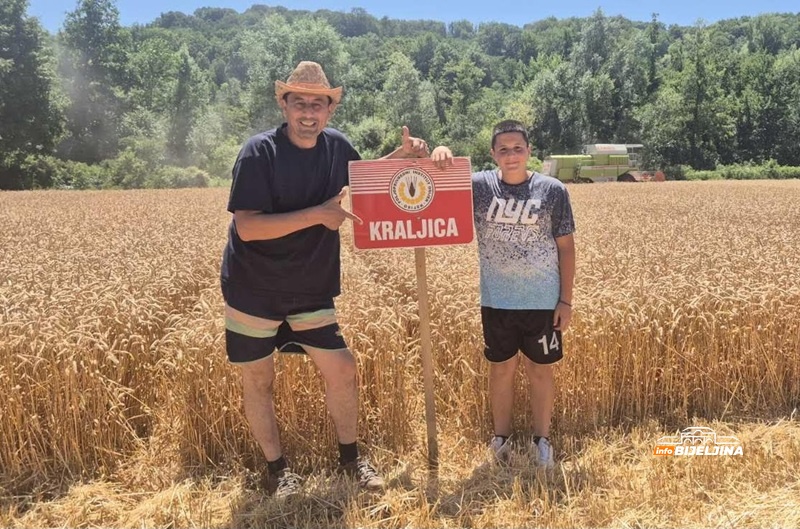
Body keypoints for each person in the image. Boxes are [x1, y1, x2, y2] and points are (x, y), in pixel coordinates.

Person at [220, 61, 430, 497]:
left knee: (342, 369)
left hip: (309, 287)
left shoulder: (336, 147)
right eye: (300, 103)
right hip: (251, 287)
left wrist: (402, 157)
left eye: (319, 103)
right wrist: (317, 215)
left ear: (330, 110)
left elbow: (364, 180)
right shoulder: (259, 152)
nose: (309, 112)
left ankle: (350, 462)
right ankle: (278, 471)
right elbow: (248, 227)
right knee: (259, 381)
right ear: (284, 105)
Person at [431, 120, 575, 469]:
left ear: (529, 151)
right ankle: (501, 439)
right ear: (493, 153)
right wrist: (440, 153)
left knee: (540, 372)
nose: (511, 155)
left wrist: (565, 301)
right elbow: (437, 186)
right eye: (503, 149)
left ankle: (542, 441)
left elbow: (567, 248)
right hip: (497, 301)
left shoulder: (552, 190)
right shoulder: (479, 186)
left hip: (542, 301)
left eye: (518, 148)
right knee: (501, 371)